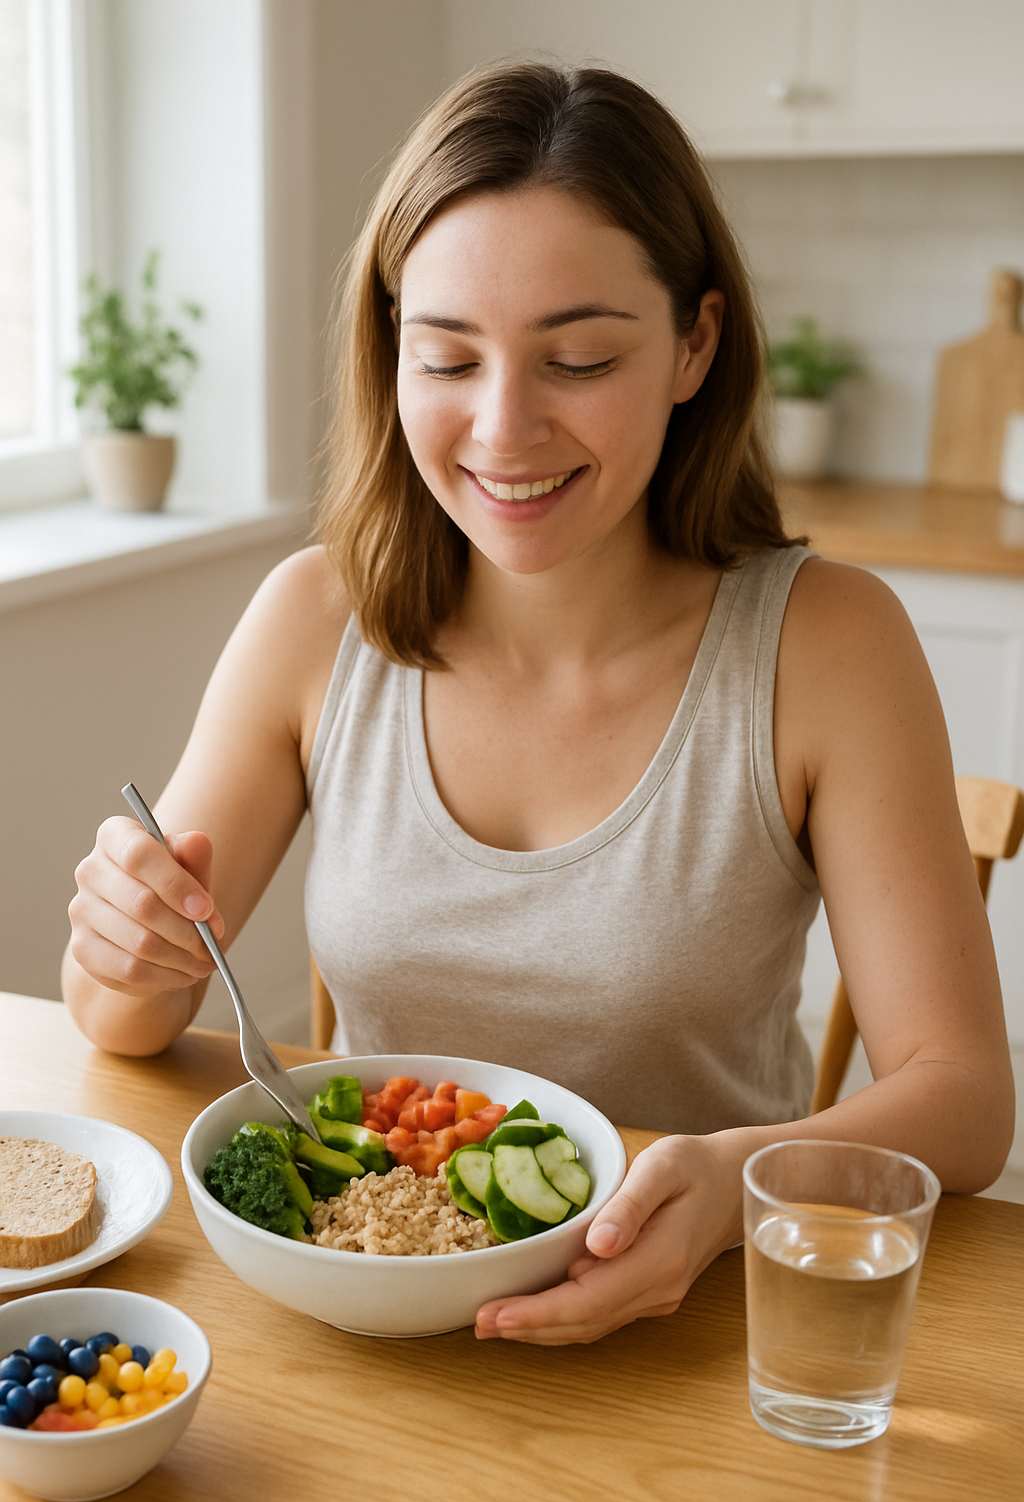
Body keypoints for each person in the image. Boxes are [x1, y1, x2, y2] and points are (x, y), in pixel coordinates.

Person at [64, 64, 1013, 1345]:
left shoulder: (828, 643)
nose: (503, 429)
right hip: (367, 1309)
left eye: (577, 358)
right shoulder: (312, 618)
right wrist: (125, 940)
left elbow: (960, 1102)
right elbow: (126, 1020)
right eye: (446, 356)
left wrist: (734, 1180)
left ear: (695, 344)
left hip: (692, 1332)